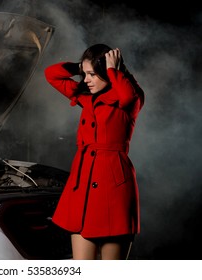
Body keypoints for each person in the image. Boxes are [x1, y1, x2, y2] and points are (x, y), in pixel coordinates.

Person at [44, 44, 144, 260]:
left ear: (107, 72)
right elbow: (51, 74)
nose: (86, 80)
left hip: (114, 190)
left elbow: (127, 96)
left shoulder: (129, 100)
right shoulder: (86, 97)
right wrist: (79, 67)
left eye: (91, 75)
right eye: (84, 75)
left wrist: (113, 70)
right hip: (83, 187)